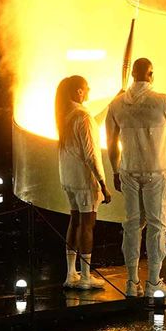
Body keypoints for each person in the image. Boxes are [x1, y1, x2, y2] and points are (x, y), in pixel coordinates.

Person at [106, 58, 166, 298]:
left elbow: (111, 143)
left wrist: (115, 170)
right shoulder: (163, 101)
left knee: (132, 225)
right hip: (158, 173)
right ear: (151, 74)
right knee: (157, 226)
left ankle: (132, 283)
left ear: (132, 74)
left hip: (128, 171)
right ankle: (154, 281)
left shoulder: (117, 104)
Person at [55, 75, 112, 290]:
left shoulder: (65, 113)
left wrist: (111, 103)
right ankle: (86, 276)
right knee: (88, 225)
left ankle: (71, 274)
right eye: (87, 88)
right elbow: (90, 155)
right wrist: (103, 183)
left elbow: (92, 124)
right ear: (79, 91)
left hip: (68, 178)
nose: (89, 90)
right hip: (83, 179)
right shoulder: (82, 116)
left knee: (75, 221)